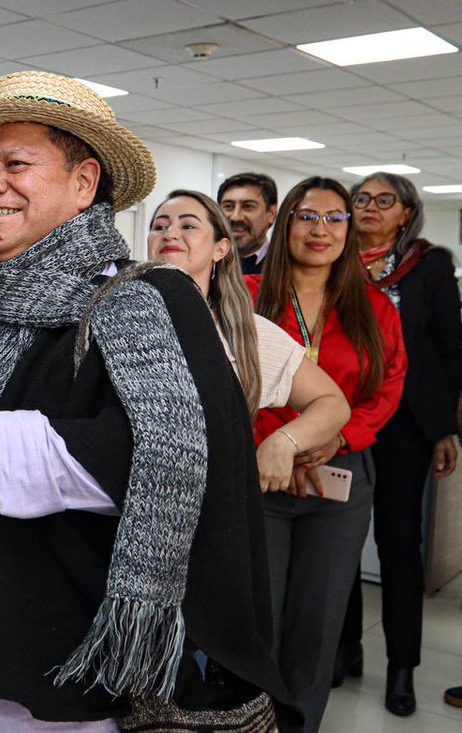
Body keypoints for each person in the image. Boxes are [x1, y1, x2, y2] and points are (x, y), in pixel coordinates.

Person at [0, 71, 291, 732]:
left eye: (16, 164)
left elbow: (164, 460)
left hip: (56, 677)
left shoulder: (148, 306)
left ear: (84, 183)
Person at [247, 176, 407, 731]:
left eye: (335, 218)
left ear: (349, 229)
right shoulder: (244, 295)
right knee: (257, 616)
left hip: (339, 477)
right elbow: (233, 384)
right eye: (307, 216)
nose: (321, 230)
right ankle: (248, 719)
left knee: (317, 623)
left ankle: (299, 724)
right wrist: (280, 442)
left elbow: (387, 389)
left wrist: (335, 435)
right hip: (262, 475)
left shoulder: (374, 308)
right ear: (285, 221)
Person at [331, 172, 462, 716]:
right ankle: (346, 647)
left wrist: (444, 428)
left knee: (397, 541)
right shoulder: (335, 258)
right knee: (338, 537)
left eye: (385, 201)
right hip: (340, 413)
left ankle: (402, 667)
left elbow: (448, 348)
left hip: (406, 423)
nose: (370, 208)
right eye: (361, 199)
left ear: (406, 213)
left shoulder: (428, 265)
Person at [147, 189, 349, 494]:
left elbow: (332, 404)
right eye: (160, 226)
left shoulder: (245, 333)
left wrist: (283, 442)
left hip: (215, 502)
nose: (170, 233)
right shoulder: (116, 318)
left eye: (188, 226)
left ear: (221, 249)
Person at [218, 172, 278, 276]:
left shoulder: (284, 269)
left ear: (271, 214)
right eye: (228, 206)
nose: (236, 217)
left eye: (248, 206)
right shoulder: (204, 263)